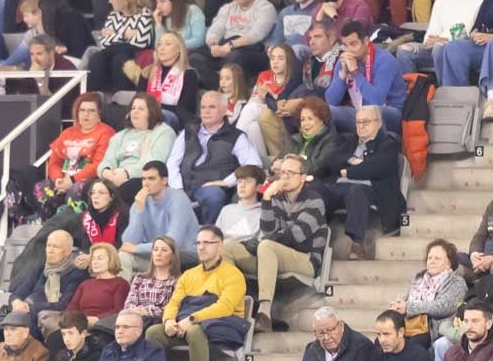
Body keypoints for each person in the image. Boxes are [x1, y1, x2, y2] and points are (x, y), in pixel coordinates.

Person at [145, 224, 246, 361]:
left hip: (222, 326)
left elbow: (224, 307)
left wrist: (191, 319)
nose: (201, 247)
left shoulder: (233, 274)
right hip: (186, 323)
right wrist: (168, 321)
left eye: (207, 242)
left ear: (220, 246)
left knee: (194, 331)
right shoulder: (189, 275)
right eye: (198, 243)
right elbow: (174, 302)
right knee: (153, 332)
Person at [224, 151, 327, 331]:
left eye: (290, 173)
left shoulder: (315, 200)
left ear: (303, 178)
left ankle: (264, 314)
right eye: (282, 172)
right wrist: (266, 198)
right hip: (272, 255)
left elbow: (297, 237)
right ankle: (234, 307)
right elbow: (268, 229)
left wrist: (275, 235)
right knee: (227, 247)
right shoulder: (277, 198)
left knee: (266, 245)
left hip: (306, 259)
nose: (284, 177)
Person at [164, 90, 261, 223]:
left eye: (212, 107)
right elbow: (172, 163)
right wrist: (178, 188)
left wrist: (227, 182)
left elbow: (254, 165)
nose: (206, 111)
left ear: (224, 110)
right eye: (203, 107)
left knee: (214, 195)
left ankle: (209, 234)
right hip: (182, 184)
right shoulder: (189, 131)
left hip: (209, 187)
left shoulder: (236, 136)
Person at [323, 106, 407, 256]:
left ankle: (356, 244)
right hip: (341, 187)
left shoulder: (388, 143)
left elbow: (375, 168)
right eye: (358, 122)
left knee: (356, 191)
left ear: (378, 123)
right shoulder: (351, 141)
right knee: (318, 190)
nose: (360, 126)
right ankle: (315, 239)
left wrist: (347, 171)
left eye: (366, 122)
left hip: (373, 191)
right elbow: (330, 161)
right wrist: (353, 159)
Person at [397, 0, 484, 75]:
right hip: (436, 48)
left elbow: (467, 30)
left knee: (439, 47)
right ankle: (415, 91)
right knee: (403, 51)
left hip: (462, 50)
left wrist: (442, 40)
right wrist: (430, 41)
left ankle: (446, 91)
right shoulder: (441, 0)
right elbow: (432, 32)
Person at [325, 20, 406, 133]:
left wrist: (355, 73)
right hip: (359, 112)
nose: (349, 50)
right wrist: (342, 75)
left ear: (366, 41)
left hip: (390, 113)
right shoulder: (344, 60)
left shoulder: (385, 60)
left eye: (353, 44)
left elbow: (376, 100)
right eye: (345, 45)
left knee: (371, 112)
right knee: (324, 111)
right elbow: (330, 101)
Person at [119, 161, 198, 278]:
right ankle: (124, 295)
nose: (146, 184)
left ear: (164, 181)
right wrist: (139, 210)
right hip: (156, 253)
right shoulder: (140, 202)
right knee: (123, 256)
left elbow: (173, 242)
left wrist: (138, 248)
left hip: (183, 252)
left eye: (151, 179)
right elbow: (129, 242)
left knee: (164, 253)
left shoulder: (179, 200)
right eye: (143, 179)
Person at [390, 239, 468, 356]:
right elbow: (407, 302)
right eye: (430, 258)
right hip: (411, 326)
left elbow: (442, 307)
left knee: (413, 345)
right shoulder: (419, 279)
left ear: (449, 263)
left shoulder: (456, 282)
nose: (432, 261)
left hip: (434, 330)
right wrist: (398, 307)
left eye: (437, 258)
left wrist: (408, 307)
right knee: (385, 340)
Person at [200, 0, 277, 82]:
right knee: (195, 56)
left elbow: (257, 34)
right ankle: (217, 86)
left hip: (252, 49)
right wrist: (213, 45)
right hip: (225, 44)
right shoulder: (228, 7)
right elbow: (216, 28)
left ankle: (232, 88)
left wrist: (231, 46)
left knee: (234, 57)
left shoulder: (266, 8)